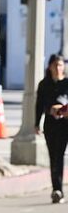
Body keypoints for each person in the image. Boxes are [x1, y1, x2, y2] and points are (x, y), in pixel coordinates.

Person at [35, 54, 68, 204]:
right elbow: (39, 105)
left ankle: (59, 189)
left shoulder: (66, 83)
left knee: (60, 155)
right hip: (50, 124)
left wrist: (62, 109)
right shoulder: (44, 84)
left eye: (60, 65)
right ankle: (56, 189)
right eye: (55, 65)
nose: (58, 68)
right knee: (53, 157)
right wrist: (37, 123)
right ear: (50, 67)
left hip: (64, 124)